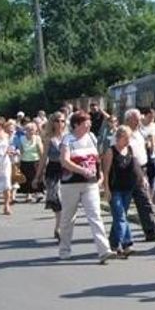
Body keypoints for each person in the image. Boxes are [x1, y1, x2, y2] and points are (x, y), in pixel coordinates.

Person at [57, 111, 115, 263]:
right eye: (85, 122)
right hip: (71, 184)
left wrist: (100, 173)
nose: (89, 124)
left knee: (95, 215)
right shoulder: (67, 140)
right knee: (68, 218)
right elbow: (64, 161)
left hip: (90, 183)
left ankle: (104, 250)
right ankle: (64, 250)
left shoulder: (92, 137)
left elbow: (96, 158)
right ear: (76, 124)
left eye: (89, 121)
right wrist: (82, 170)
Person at [100, 125, 147, 258]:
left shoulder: (130, 149)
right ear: (119, 138)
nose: (128, 141)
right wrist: (106, 189)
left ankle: (113, 244)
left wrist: (142, 178)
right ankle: (126, 244)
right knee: (120, 217)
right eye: (126, 138)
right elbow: (106, 172)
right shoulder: (111, 151)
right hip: (115, 189)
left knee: (120, 217)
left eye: (129, 138)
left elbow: (135, 165)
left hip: (128, 188)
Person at [121, 109, 155, 241]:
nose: (139, 121)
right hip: (129, 171)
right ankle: (119, 237)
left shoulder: (139, 132)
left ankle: (150, 230)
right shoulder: (122, 133)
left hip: (142, 168)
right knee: (124, 205)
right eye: (136, 119)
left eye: (139, 118)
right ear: (128, 119)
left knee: (144, 202)